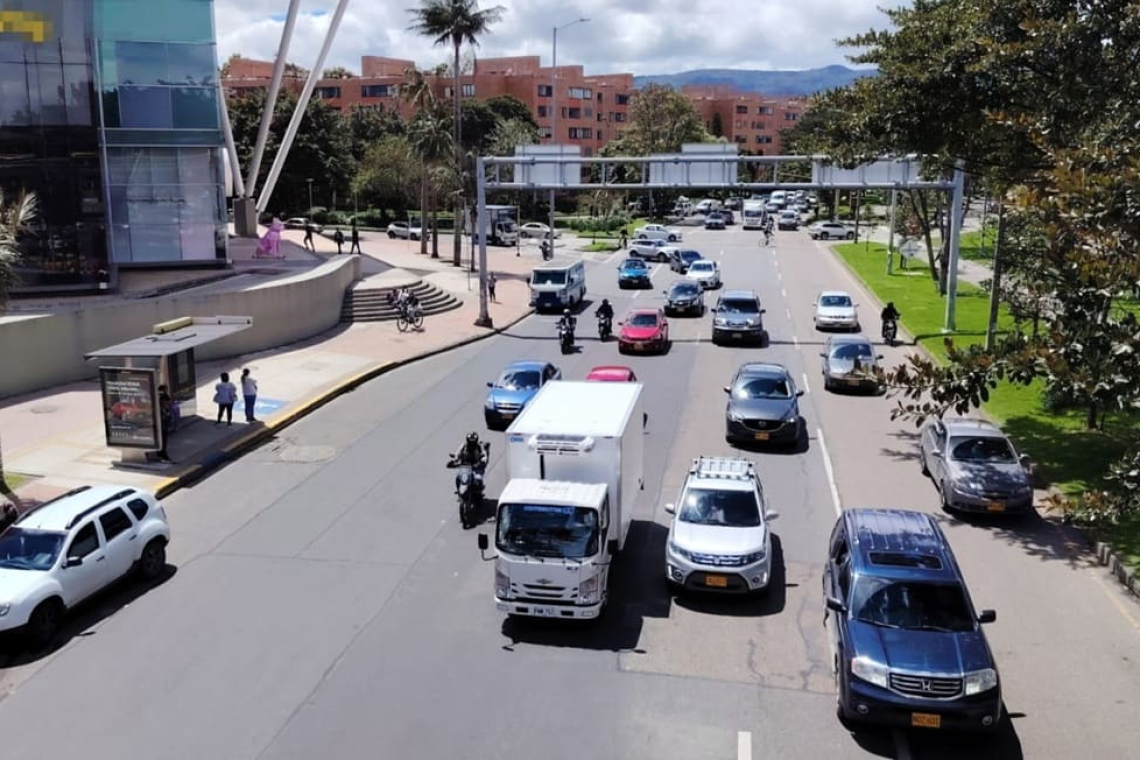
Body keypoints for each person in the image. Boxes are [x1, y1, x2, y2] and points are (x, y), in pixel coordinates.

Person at [156, 385, 174, 463]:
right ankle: (162, 455)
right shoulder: (162, 397)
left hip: (163, 422)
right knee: (163, 439)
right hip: (162, 423)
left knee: (162, 439)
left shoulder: (159, 397)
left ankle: (161, 453)